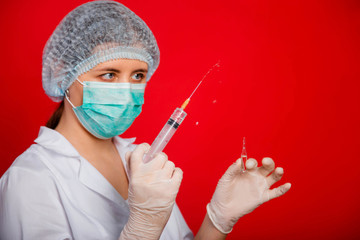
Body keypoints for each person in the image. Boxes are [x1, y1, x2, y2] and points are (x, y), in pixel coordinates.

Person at [0, 1, 291, 239]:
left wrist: (216, 221)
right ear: (65, 74)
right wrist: (142, 230)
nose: (127, 91)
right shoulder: (31, 180)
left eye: (138, 76)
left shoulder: (140, 161)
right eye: (109, 74)